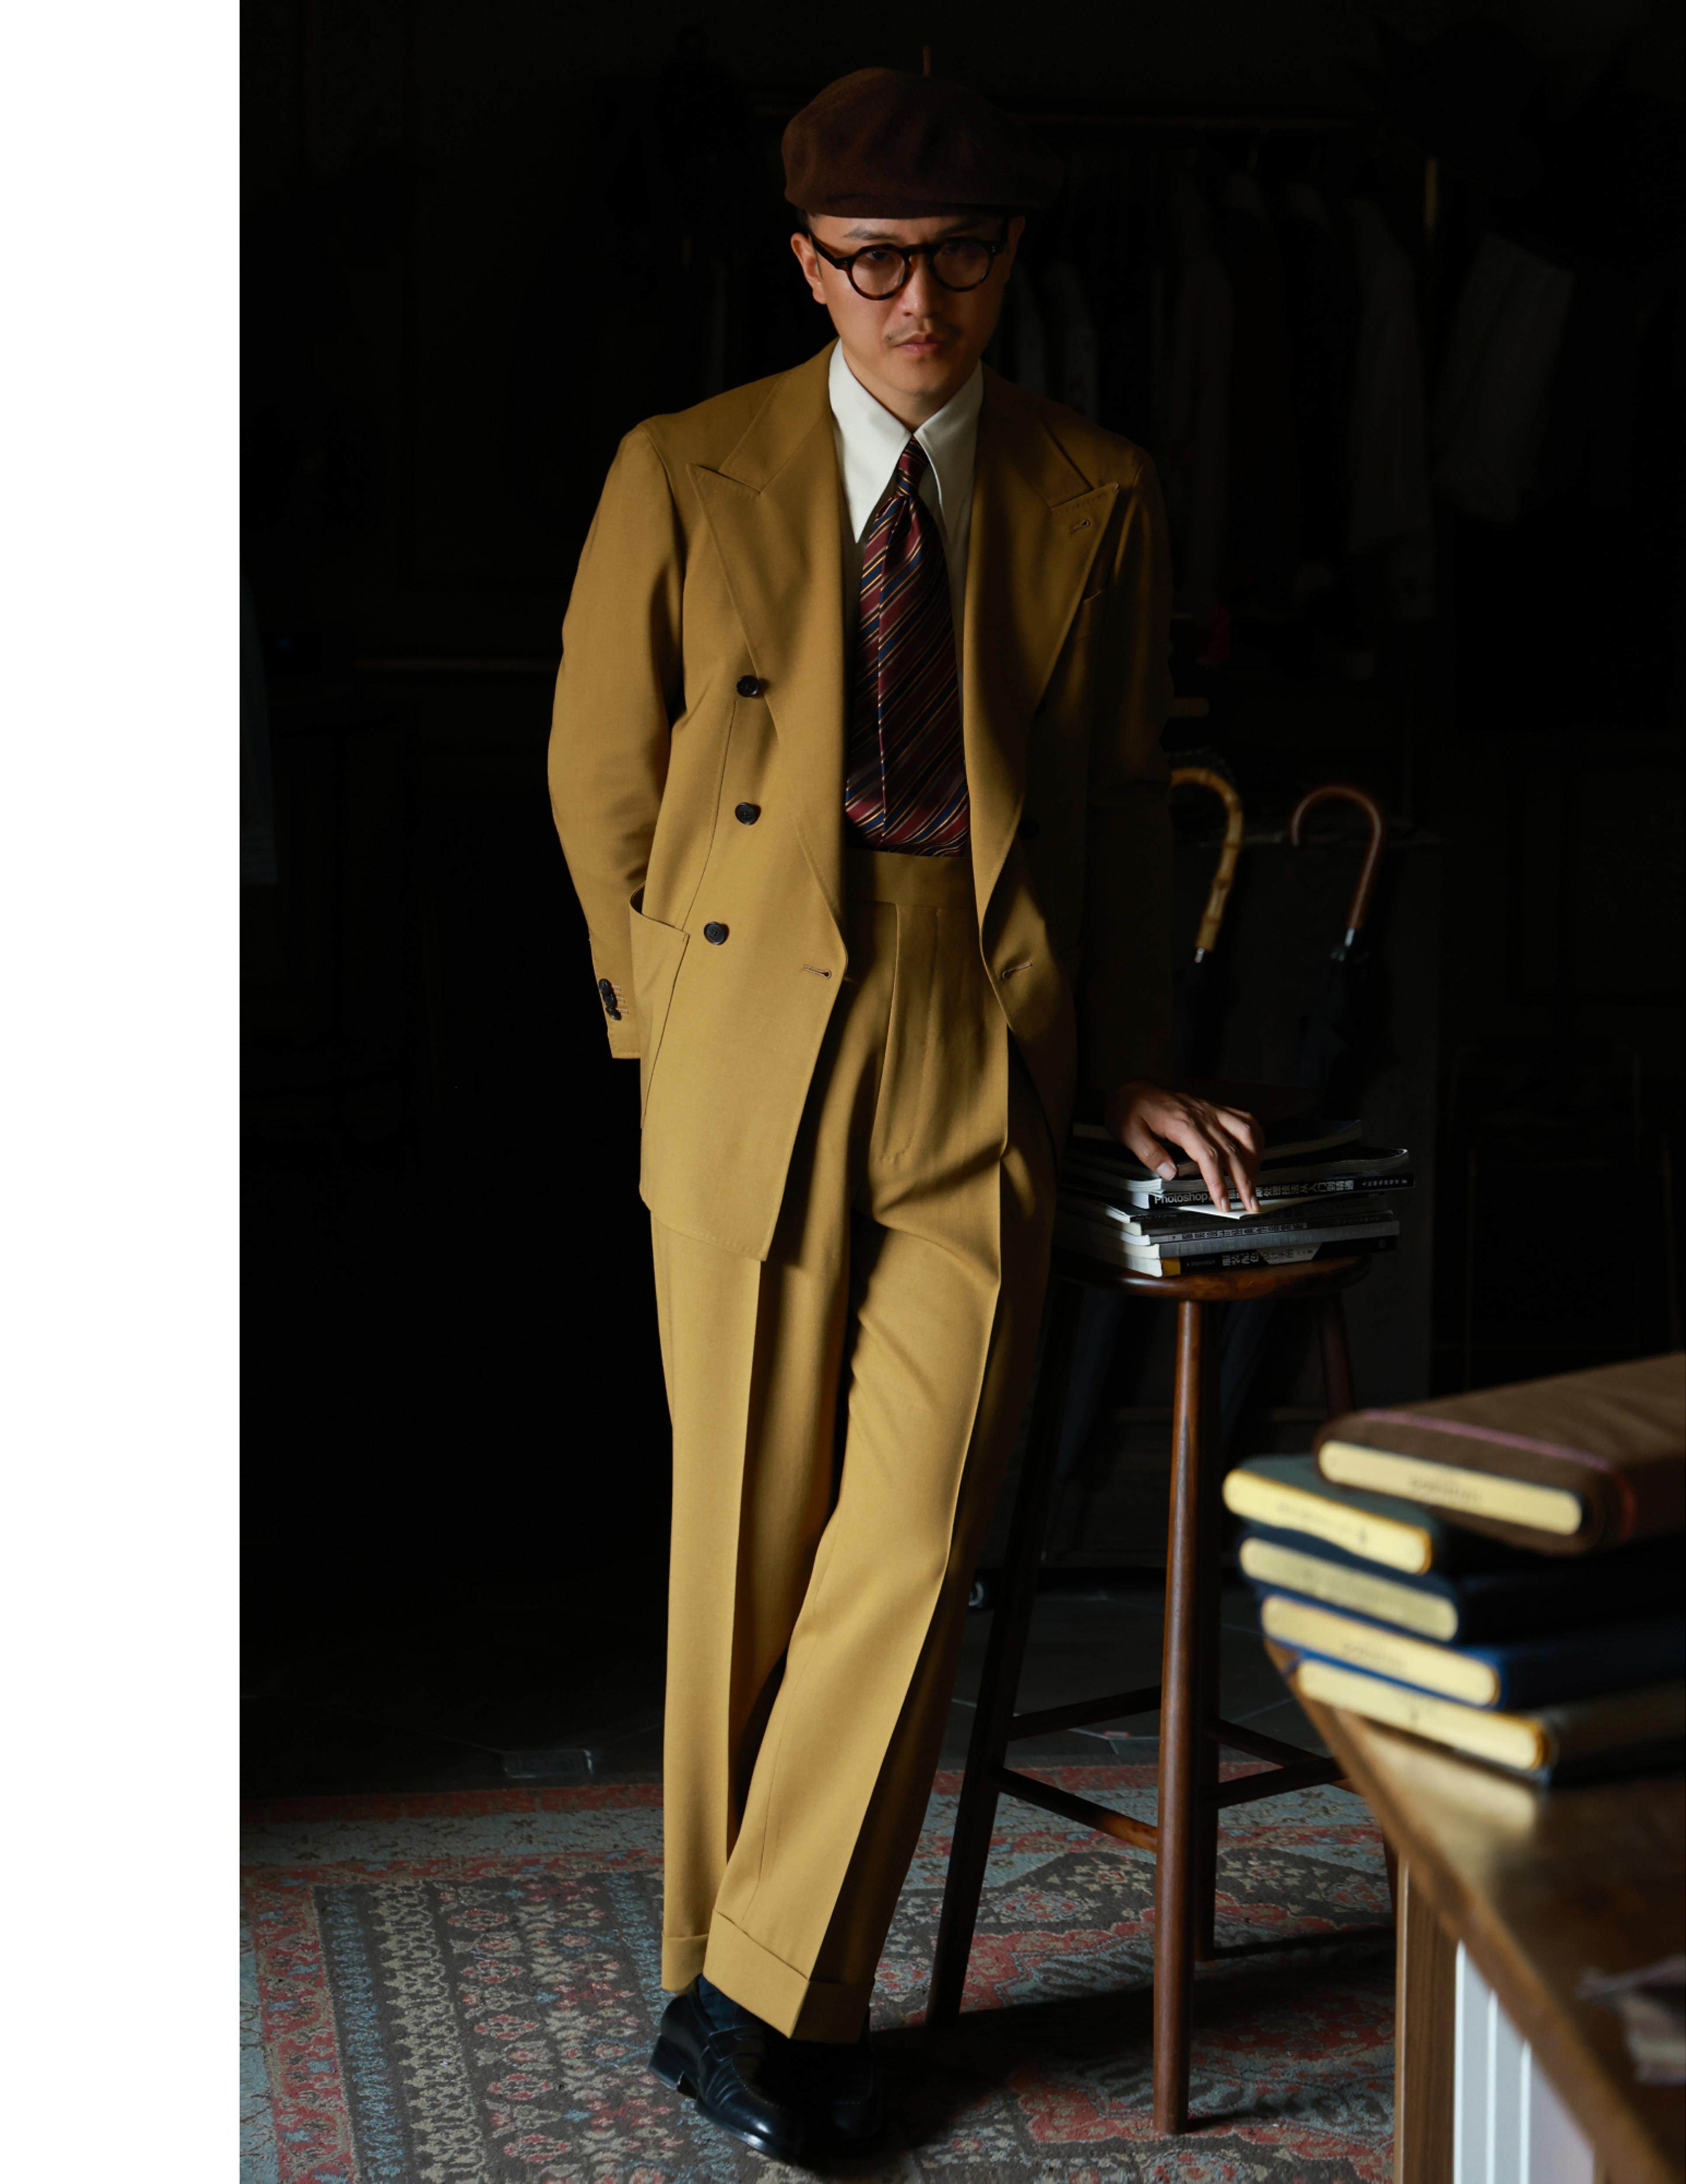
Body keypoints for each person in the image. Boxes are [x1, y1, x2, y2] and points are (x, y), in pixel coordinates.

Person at [547, 64, 1262, 2164]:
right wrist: (661, 1017)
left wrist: (1120, 1052)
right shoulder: (682, 466)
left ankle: (749, 1983)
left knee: (921, 1525)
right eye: (871, 263)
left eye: (955, 259)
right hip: (743, 1016)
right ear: (805, 265)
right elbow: (596, 771)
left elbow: (1113, 809)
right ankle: (768, 1992)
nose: (915, 301)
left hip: (980, 1017)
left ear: (1008, 258)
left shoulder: (1090, 487)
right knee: (745, 1534)